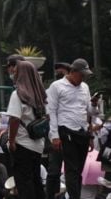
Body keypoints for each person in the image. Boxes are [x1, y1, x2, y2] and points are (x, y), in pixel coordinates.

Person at [46, 58, 100, 199]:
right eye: (81, 75)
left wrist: (94, 105)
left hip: (81, 132)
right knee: (72, 169)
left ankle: (74, 195)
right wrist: (55, 136)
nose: (83, 78)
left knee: (78, 171)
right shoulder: (56, 86)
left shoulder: (85, 87)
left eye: (85, 76)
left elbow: (90, 112)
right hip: (65, 130)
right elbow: (51, 112)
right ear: (73, 71)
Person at [45, 61, 70, 199]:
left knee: (72, 171)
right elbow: (49, 114)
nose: (60, 75)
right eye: (58, 73)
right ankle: (50, 196)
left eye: (62, 72)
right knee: (54, 170)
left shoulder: (79, 88)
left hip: (73, 135)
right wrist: (55, 135)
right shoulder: (51, 90)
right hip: (56, 135)